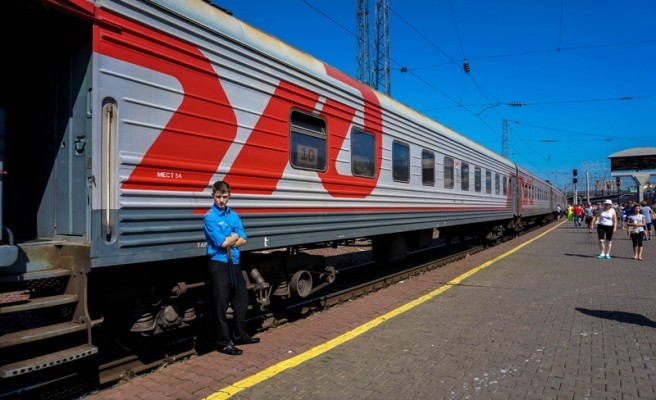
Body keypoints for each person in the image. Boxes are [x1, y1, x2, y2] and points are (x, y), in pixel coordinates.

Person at [203, 180, 260, 356]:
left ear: (229, 196)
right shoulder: (210, 217)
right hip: (218, 263)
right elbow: (222, 242)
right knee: (220, 304)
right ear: (213, 196)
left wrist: (233, 238)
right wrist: (234, 237)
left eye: (224, 196)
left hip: (234, 263)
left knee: (241, 300)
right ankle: (223, 342)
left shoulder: (233, 215)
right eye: (218, 196)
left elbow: (244, 238)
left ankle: (240, 334)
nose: (221, 200)